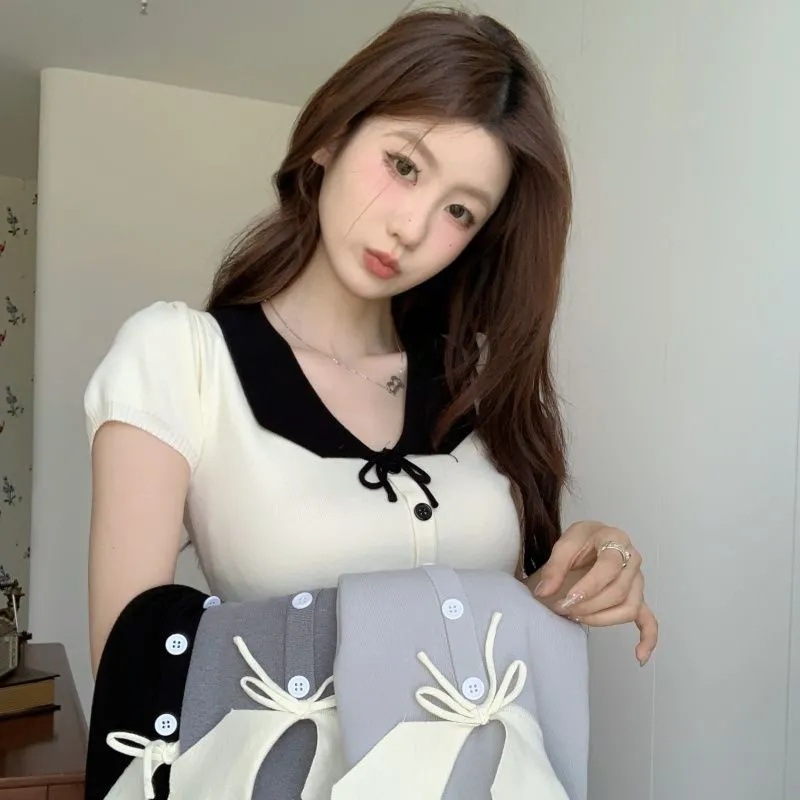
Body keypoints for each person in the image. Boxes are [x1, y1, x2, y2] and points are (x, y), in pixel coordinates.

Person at [84, 8, 658, 694]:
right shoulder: (179, 359)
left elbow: (501, 647)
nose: (411, 228)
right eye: (403, 165)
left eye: (460, 211)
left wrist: (586, 566)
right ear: (333, 134)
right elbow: (131, 675)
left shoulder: (476, 377)